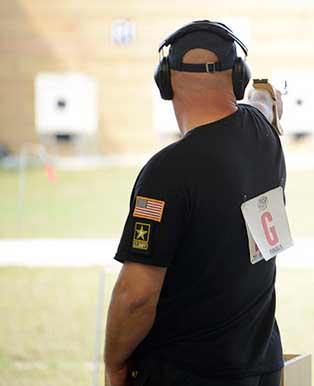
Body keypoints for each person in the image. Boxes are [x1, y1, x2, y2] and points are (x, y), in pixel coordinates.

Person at [104, 21, 286, 386]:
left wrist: (115, 365)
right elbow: (264, 105)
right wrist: (267, 95)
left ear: (165, 82)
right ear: (237, 77)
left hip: (186, 373)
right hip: (262, 365)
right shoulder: (262, 133)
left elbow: (136, 296)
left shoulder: (167, 172)